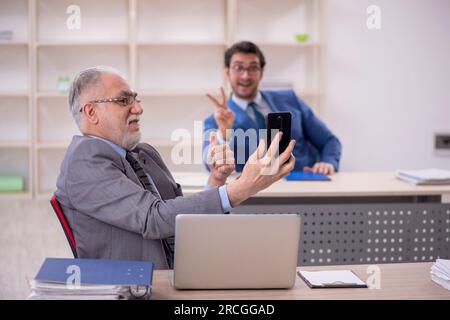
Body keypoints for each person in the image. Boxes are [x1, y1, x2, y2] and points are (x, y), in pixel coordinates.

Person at [55, 66, 296, 269]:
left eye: (135, 99)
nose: (138, 108)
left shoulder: (142, 153)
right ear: (91, 112)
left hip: (177, 273)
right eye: (123, 100)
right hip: (134, 288)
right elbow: (153, 218)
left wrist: (215, 181)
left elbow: (173, 215)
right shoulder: (84, 160)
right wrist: (240, 189)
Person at [204, 41, 342, 175]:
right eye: (238, 68)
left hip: (303, 184)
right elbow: (210, 164)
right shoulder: (215, 120)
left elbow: (329, 141)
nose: (245, 76)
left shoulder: (290, 99)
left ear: (261, 72)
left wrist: (328, 162)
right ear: (227, 72)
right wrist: (223, 134)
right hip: (255, 193)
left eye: (253, 68)